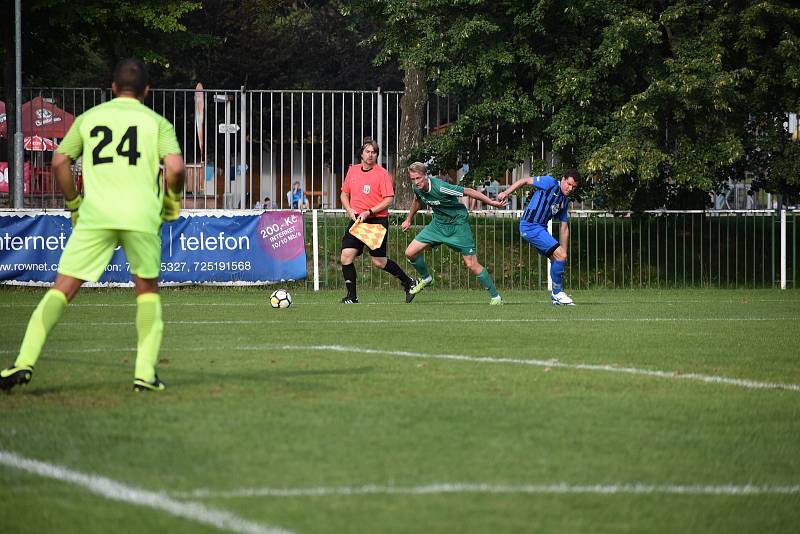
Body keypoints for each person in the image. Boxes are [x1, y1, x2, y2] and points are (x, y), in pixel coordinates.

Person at [0, 58, 185, 393]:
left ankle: (23, 362)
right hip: (141, 216)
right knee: (146, 291)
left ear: (113, 88)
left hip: (96, 215)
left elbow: (59, 161)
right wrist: (171, 203)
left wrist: (74, 203)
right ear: (147, 90)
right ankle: (144, 373)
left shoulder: (89, 119)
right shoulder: (157, 123)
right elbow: (174, 168)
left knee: (62, 289)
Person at [402, 162, 505, 305]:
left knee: (471, 264)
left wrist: (492, 203)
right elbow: (417, 200)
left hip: (458, 225)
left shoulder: (441, 187)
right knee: (410, 252)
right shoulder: (416, 188)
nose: (416, 182)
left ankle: (496, 297)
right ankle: (426, 279)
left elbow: (468, 191)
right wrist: (409, 219)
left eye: (418, 178)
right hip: (438, 225)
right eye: (413, 179)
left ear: (426, 176)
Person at [339, 139, 415, 304]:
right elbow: (344, 194)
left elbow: (388, 200)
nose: (370, 155)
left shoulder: (382, 173)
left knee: (379, 261)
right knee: (346, 256)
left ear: (377, 155)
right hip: (358, 221)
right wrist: (349, 210)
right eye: (367, 151)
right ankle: (352, 297)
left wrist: (370, 211)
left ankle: (408, 282)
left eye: (374, 152)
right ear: (361, 153)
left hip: (376, 222)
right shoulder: (352, 171)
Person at [497, 169, 580, 306]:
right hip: (529, 226)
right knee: (560, 256)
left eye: (574, 187)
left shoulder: (563, 201)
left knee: (557, 258)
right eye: (569, 184)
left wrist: (564, 253)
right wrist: (506, 193)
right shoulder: (550, 182)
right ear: (563, 179)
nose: (570, 188)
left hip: (540, 229)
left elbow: (564, 228)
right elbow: (524, 180)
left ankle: (556, 296)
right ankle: (558, 293)